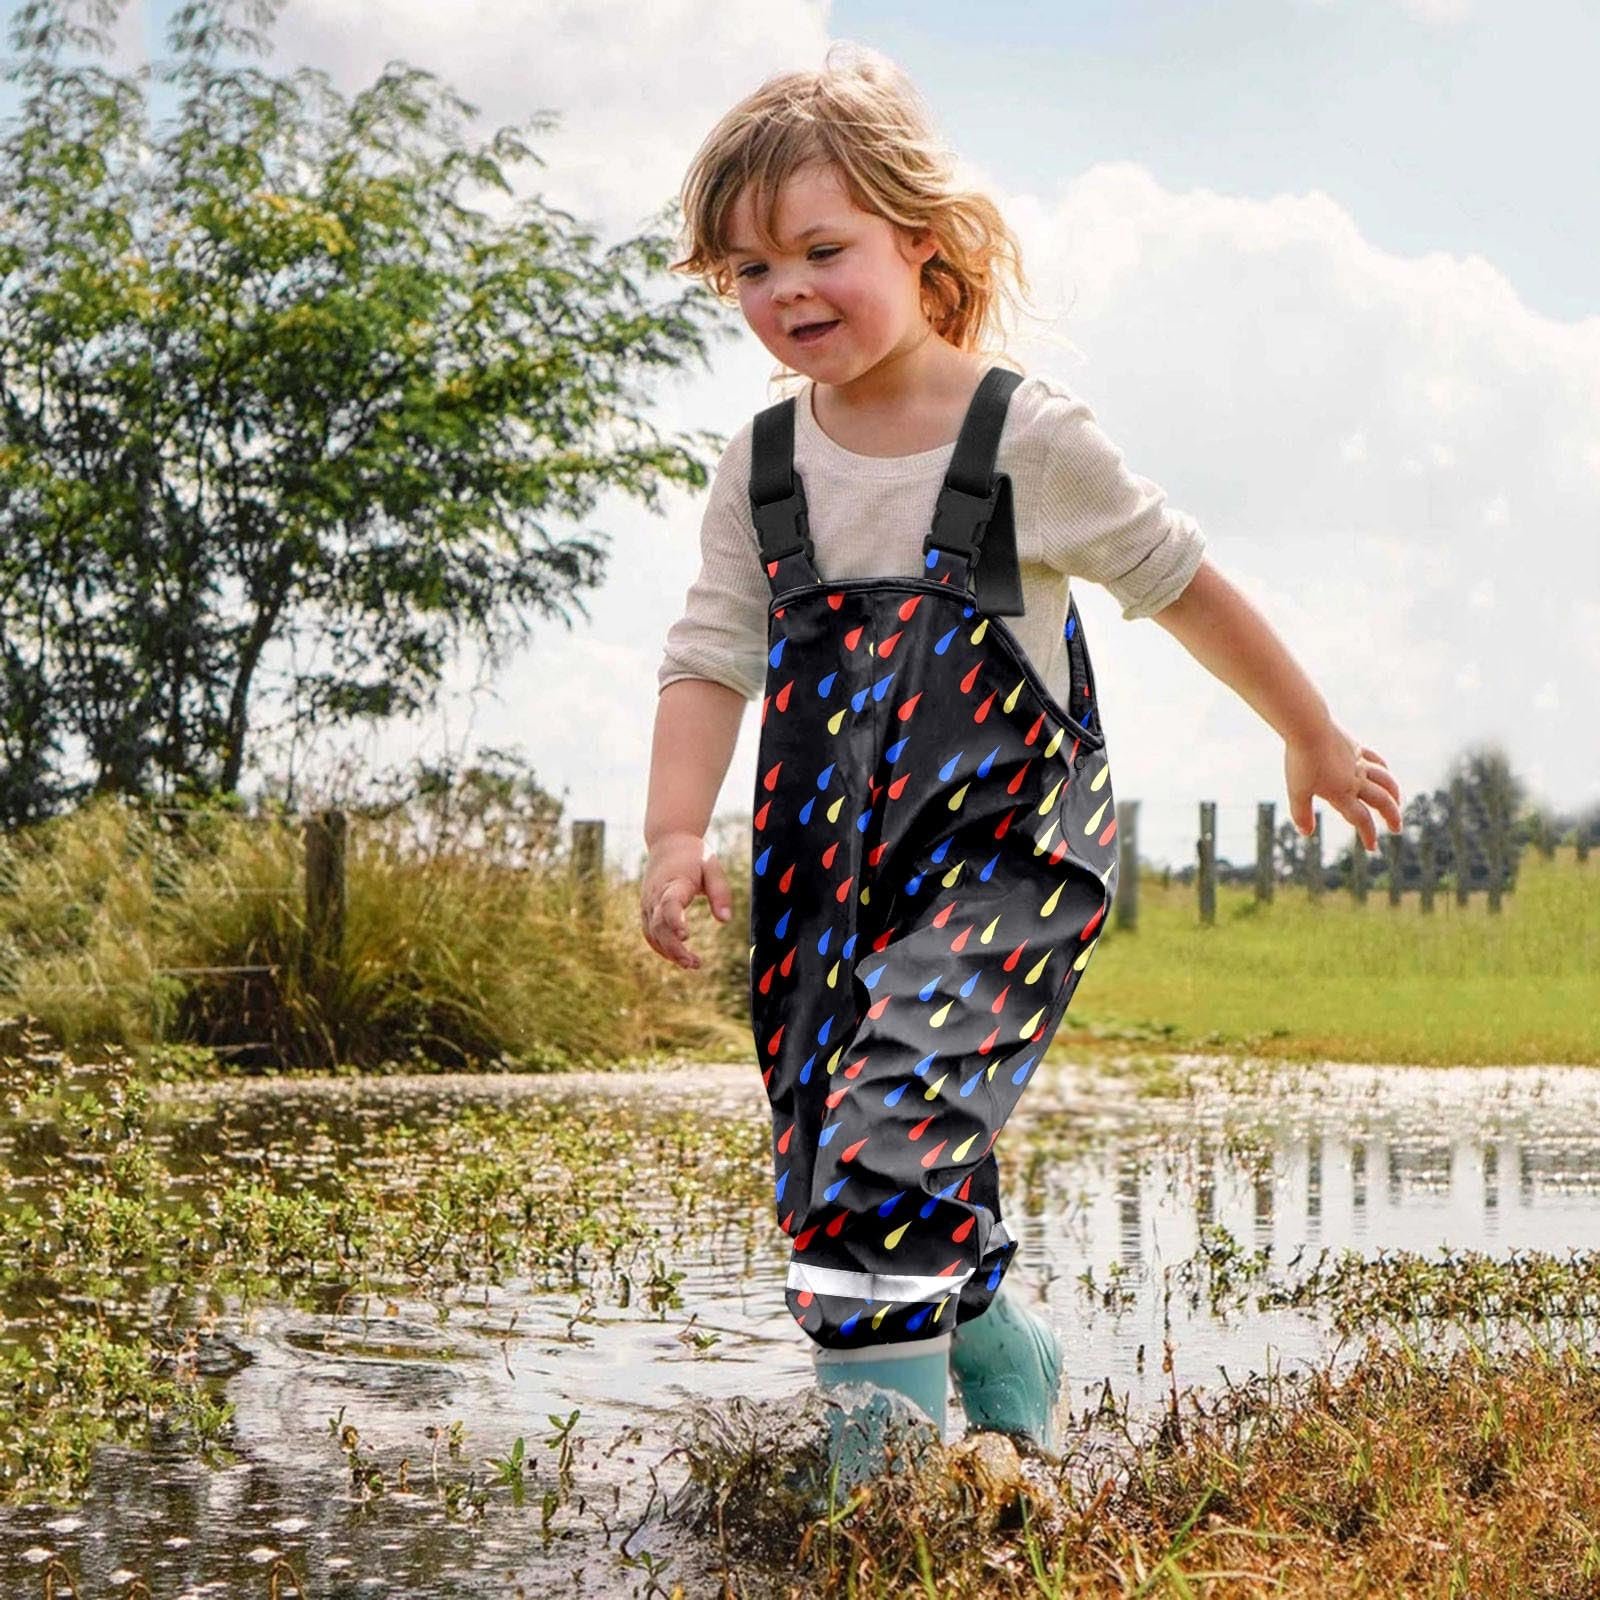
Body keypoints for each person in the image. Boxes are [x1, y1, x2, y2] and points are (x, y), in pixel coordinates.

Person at [640, 44, 1403, 1494]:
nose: (787, 291)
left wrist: (1305, 730)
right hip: (823, 889)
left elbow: (1182, 581)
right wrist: (679, 831)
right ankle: (1000, 1357)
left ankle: (884, 1479)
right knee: (833, 1149)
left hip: (1010, 862)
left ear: (919, 240)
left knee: (891, 1120)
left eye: (821, 250)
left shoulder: (1024, 439)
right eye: (748, 270)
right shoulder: (762, 469)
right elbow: (709, 653)